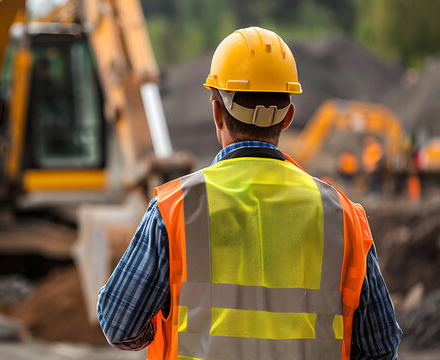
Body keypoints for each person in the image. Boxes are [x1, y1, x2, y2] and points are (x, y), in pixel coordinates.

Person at [97, 27, 401, 360]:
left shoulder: (174, 209)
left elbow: (119, 325)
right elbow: (379, 348)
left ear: (217, 112)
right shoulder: (343, 218)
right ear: (288, 117)